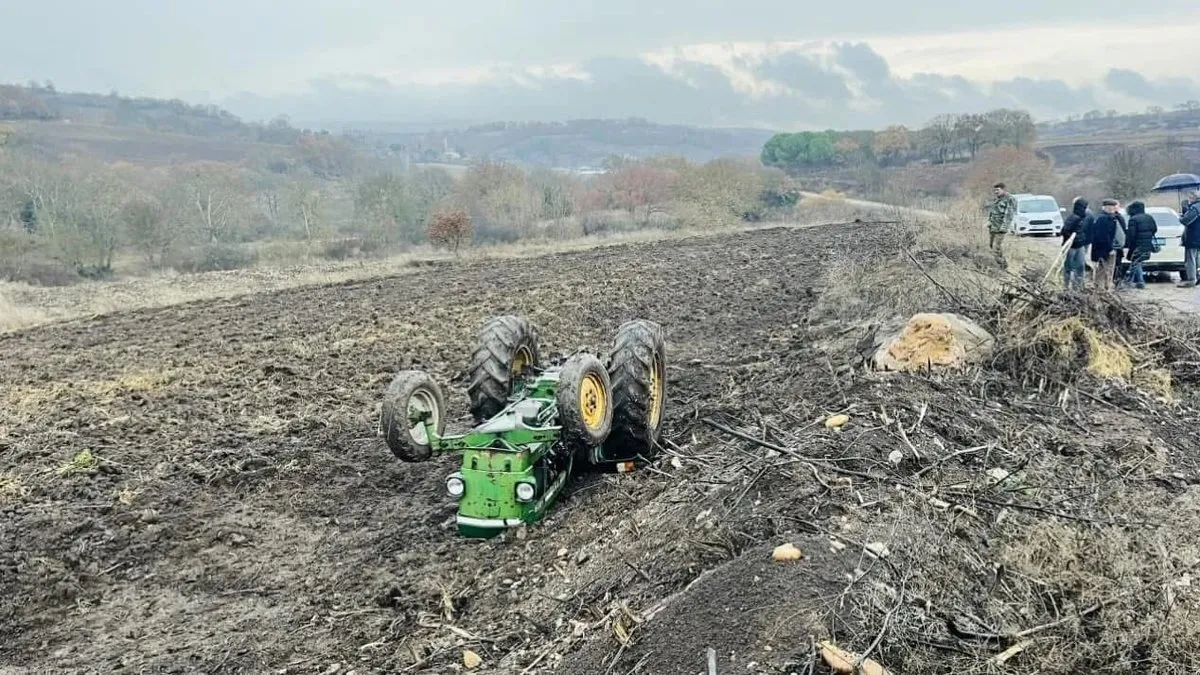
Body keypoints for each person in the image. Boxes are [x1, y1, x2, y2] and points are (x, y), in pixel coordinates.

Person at [1124, 200, 1157, 290]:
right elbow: (1154, 229)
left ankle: (1137, 282)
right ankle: (1138, 281)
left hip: (1137, 245)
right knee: (1138, 262)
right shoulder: (1149, 217)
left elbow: (1131, 235)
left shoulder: (1133, 219)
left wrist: (1128, 245)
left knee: (1136, 262)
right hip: (1147, 244)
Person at [1060, 196, 1092, 289]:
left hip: (1080, 245)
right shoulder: (1073, 217)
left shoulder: (1085, 217)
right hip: (1071, 246)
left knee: (1080, 266)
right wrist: (1073, 236)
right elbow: (1064, 231)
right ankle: (1066, 285)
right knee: (1069, 267)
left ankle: (1078, 286)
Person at [1089, 199, 1121, 291]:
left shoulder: (1102, 217)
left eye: (1113, 206)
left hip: (1102, 249)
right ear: (1106, 207)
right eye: (1111, 206)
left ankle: (1102, 288)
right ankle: (1103, 289)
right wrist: (1110, 248)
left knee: (1103, 270)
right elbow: (1103, 236)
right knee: (1106, 270)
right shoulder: (1104, 219)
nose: (1113, 208)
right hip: (1105, 249)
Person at [986, 182, 1017, 269]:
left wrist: (1003, 227)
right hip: (993, 227)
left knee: (996, 248)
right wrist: (989, 221)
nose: (996, 192)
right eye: (994, 190)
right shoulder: (997, 199)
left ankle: (1002, 266)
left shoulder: (1010, 199)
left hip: (1000, 228)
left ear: (1003, 189)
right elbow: (992, 212)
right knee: (992, 247)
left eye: (998, 190)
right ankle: (1001, 264)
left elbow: (1009, 215)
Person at [1180, 191, 1200, 288]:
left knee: (1191, 259)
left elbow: (1185, 220)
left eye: (1190, 197)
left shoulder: (1195, 208)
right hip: (1197, 237)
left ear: (1194, 198)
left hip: (1193, 237)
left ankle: (1192, 280)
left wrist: (1184, 210)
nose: (1189, 199)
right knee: (1196, 258)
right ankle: (1197, 277)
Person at [1111, 201, 1127, 286]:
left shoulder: (1117, 218)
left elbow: (1121, 233)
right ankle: (1117, 281)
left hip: (1116, 246)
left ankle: (1116, 281)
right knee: (1117, 264)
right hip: (1117, 246)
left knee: (1116, 265)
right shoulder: (1119, 217)